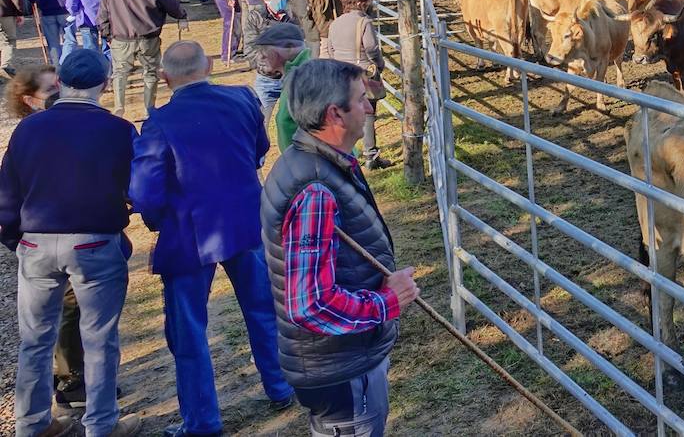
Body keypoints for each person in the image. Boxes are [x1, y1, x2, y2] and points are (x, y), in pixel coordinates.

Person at [130, 43, 295, 436]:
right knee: (263, 310)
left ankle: (202, 420)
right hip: (245, 219)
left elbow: (144, 193)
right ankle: (280, 384)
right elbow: (259, 148)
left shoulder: (159, 122)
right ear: (207, 66)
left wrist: (157, 222)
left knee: (188, 329)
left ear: (165, 78)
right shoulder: (242, 99)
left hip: (189, 232)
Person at [262, 59, 419, 436]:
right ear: (335, 113)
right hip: (337, 365)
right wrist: (387, 303)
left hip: (336, 360)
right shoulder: (314, 190)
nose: (369, 107)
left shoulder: (314, 163)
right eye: (362, 99)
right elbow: (310, 305)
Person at [0, 50, 141, 437]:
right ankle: (101, 424)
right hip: (94, 242)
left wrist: (16, 239)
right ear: (106, 85)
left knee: (34, 340)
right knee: (99, 339)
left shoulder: (28, 129)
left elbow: (7, 194)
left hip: (36, 244)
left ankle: (32, 425)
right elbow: (137, 189)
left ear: (60, 83)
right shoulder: (119, 129)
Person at [98, 0, 188, 116]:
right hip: (148, 38)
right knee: (150, 73)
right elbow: (173, 7)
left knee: (120, 72)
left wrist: (107, 35)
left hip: (121, 38)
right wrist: (182, 15)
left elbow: (103, 14)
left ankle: (119, 105)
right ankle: (149, 108)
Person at [323, 0, 390, 170]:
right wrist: (379, 64)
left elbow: (330, 49)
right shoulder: (364, 23)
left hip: (341, 74)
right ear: (361, 3)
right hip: (363, 72)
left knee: (344, 114)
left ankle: (344, 152)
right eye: (367, 0)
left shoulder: (335, 23)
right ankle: (370, 154)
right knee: (368, 114)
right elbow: (371, 48)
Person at [253, 23, 310, 152]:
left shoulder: (302, 78)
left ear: (289, 48)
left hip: (309, 163)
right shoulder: (295, 75)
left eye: (265, 51)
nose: (260, 57)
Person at [246, 0, 299, 113]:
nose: (280, 0)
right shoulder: (255, 16)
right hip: (267, 79)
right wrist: (267, 66)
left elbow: (300, 41)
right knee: (261, 119)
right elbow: (250, 47)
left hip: (291, 76)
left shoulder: (292, 14)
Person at [1, 0, 28, 77]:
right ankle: (6, 65)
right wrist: (19, 12)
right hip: (6, 14)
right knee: (10, 40)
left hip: (6, 14)